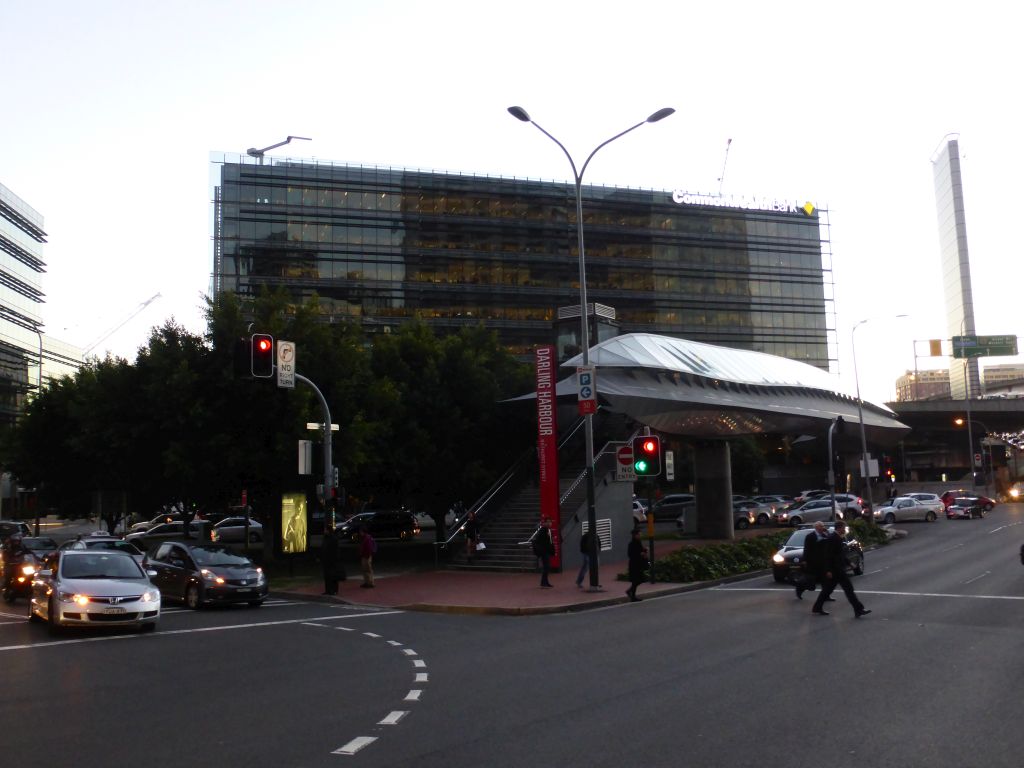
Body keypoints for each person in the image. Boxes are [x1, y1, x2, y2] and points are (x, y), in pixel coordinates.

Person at [811, 519, 871, 617]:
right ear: (839, 528)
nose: (845, 530)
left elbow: (840, 554)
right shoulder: (833, 538)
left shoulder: (837, 537)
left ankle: (817, 607)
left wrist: (849, 563)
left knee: (828, 590)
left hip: (838, 569)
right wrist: (828, 570)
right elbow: (828, 556)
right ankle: (858, 609)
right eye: (844, 527)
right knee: (848, 589)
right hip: (836, 570)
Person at [795, 521, 829, 599]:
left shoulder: (825, 535)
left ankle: (826, 596)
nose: (823, 527)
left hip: (822, 562)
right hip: (812, 562)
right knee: (810, 582)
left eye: (823, 526)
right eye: (821, 526)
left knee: (825, 580)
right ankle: (800, 589)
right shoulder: (810, 536)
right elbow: (807, 549)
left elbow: (828, 546)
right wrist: (804, 560)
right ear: (816, 527)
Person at [626, 528, 648, 602]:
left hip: (639, 564)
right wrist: (640, 554)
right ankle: (633, 595)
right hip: (634, 564)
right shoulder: (632, 544)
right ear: (635, 535)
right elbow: (630, 554)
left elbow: (641, 550)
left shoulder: (639, 542)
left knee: (639, 580)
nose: (640, 535)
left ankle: (630, 592)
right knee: (636, 580)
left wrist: (644, 550)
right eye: (638, 534)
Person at [532, 516, 554, 588]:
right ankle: (543, 582)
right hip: (544, 552)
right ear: (544, 523)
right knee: (546, 567)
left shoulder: (548, 530)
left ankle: (545, 582)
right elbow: (540, 541)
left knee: (547, 567)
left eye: (550, 522)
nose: (549, 523)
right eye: (547, 522)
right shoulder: (542, 530)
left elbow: (550, 541)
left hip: (547, 551)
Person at [320, 525, 342, 595]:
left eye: (325, 530)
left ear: (328, 530)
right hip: (326, 561)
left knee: (332, 576)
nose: (324, 531)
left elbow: (335, 551)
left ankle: (334, 590)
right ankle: (328, 590)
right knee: (327, 576)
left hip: (332, 561)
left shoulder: (333, 539)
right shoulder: (326, 538)